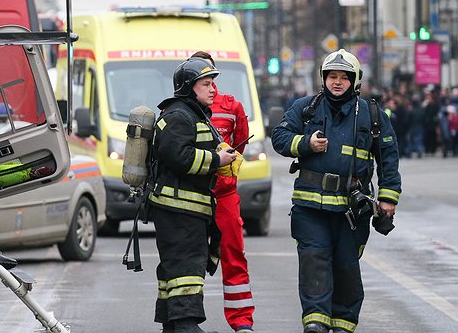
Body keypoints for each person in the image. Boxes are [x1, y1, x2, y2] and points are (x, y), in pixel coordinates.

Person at [271, 49, 402, 333]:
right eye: (332, 76)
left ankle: (343, 324)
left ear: (355, 81)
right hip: (310, 208)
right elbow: (279, 137)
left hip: (350, 210)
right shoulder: (306, 108)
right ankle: (316, 322)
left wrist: (387, 198)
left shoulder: (372, 115)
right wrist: (305, 143)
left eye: (344, 77)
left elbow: (388, 158)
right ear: (324, 78)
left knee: (346, 266)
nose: (338, 82)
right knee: (314, 262)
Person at [149, 57, 237, 333]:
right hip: (178, 209)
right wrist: (216, 160)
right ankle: (186, 324)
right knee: (186, 267)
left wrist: (219, 154)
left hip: (185, 208)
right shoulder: (179, 116)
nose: (213, 89)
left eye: (213, 83)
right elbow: (179, 156)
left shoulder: (192, 114)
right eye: (206, 84)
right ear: (189, 87)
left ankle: (172, 324)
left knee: (174, 268)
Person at [190, 52, 255, 333]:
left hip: (224, 197)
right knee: (188, 260)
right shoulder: (180, 109)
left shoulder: (231, 107)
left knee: (233, 256)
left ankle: (242, 321)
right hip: (192, 196)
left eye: (210, 76)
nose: (208, 83)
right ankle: (186, 319)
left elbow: (239, 144)